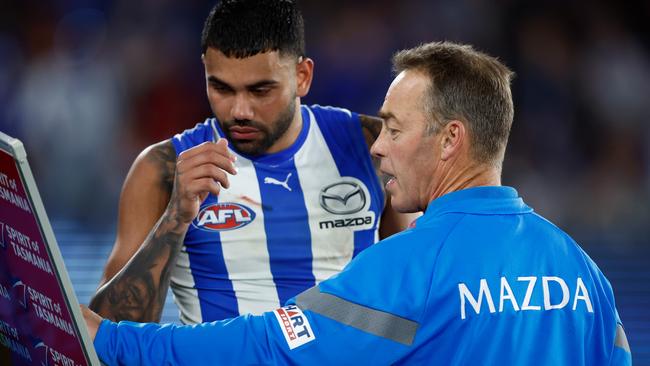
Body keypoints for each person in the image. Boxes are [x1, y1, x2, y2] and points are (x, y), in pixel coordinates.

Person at [83, 41, 632, 365]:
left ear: (450, 140)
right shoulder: (579, 269)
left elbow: (267, 347)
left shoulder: (408, 267)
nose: (377, 145)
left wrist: (109, 338)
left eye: (394, 128)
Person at [88, 0, 416, 325]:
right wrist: (175, 218)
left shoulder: (371, 147)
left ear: (302, 76)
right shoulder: (163, 168)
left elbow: (408, 301)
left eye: (260, 90)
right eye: (222, 88)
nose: (239, 111)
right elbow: (107, 334)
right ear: (205, 70)